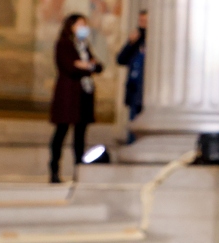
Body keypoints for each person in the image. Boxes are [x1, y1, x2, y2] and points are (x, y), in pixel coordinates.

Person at [49, 14, 103, 184]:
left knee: (80, 135)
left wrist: (85, 65)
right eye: (80, 24)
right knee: (61, 131)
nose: (83, 28)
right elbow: (68, 67)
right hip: (68, 94)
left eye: (85, 24)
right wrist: (87, 66)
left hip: (83, 94)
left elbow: (98, 66)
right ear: (71, 26)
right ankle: (54, 169)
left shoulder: (83, 45)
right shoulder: (64, 44)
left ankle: (79, 170)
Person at [116, 10, 147, 142]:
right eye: (140, 21)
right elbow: (120, 59)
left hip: (148, 90)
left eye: (145, 21)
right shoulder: (136, 39)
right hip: (135, 89)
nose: (142, 24)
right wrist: (130, 42)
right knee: (133, 123)